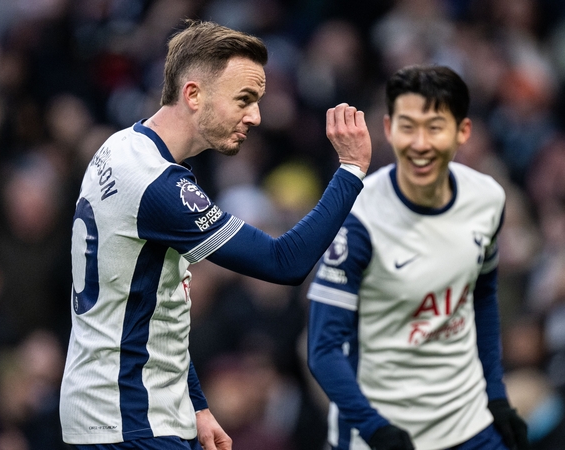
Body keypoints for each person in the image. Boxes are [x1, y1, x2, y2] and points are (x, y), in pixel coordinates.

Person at [59, 20, 371, 450]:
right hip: (131, 420)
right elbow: (285, 262)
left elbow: (158, 305)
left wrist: (196, 405)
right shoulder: (158, 186)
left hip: (114, 408)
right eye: (244, 99)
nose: (256, 116)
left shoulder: (120, 146)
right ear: (193, 94)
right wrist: (351, 170)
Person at [307, 65, 529, 450]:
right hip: (382, 434)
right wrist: (375, 429)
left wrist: (495, 395)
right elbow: (322, 349)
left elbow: (482, 298)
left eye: (435, 127)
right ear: (389, 129)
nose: (420, 143)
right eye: (408, 127)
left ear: (463, 132)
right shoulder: (358, 217)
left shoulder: (487, 199)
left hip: (471, 426)